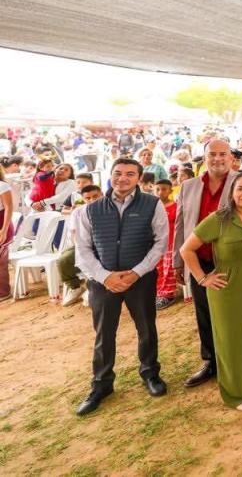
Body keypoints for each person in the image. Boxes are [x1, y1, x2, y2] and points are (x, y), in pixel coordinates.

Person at [73, 158, 169, 415]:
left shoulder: (153, 204)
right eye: (118, 173)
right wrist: (105, 277)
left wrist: (136, 272)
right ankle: (101, 384)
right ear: (110, 175)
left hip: (141, 279)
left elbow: (160, 243)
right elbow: (82, 249)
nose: (122, 178)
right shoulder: (89, 210)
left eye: (129, 174)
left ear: (139, 177)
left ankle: (150, 373)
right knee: (104, 333)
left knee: (146, 328)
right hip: (102, 283)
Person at [179, 173, 242, 411]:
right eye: (240, 188)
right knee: (230, 338)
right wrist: (203, 278)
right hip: (228, 284)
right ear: (232, 192)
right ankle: (237, 391)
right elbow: (186, 249)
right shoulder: (218, 219)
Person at [173, 139, 238, 389]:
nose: (217, 159)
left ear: (231, 157)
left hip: (230, 261)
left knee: (233, 313)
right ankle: (211, 361)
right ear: (204, 157)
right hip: (197, 261)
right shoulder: (188, 186)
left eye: (223, 154)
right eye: (212, 154)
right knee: (204, 312)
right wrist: (178, 262)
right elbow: (181, 224)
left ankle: (235, 360)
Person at [154, 179, 178, 310]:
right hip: (157, 244)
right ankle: (159, 292)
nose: (160, 192)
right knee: (158, 269)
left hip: (171, 244)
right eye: (157, 189)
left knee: (169, 269)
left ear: (170, 191)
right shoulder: (152, 207)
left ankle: (168, 294)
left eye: (164, 189)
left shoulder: (175, 206)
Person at [0, 164, 15, 301]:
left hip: (2, 224)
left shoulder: (2, 185)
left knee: (1, 260)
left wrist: (4, 230)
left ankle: (3, 292)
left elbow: (9, 207)